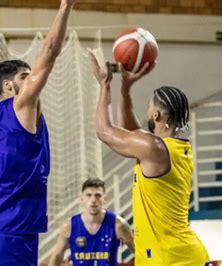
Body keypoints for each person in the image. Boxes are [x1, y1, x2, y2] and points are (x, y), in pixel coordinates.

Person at [0, 0, 77, 265]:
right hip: (13, 226)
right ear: (9, 85)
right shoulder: (22, 104)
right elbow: (49, 52)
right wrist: (65, 6)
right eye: (25, 76)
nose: (31, 80)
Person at [88, 52, 210, 265]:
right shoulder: (172, 147)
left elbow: (104, 131)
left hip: (167, 258)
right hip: (178, 254)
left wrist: (104, 85)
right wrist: (125, 89)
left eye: (149, 108)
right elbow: (132, 130)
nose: (147, 112)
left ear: (156, 116)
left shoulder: (154, 148)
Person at [49, 178, 134, 266]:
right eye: (89, 195)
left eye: (98, 195)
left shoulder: (118, 225)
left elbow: (139, 253)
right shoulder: (69, 226)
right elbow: (57, 256)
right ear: (81, 198)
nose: (93, 199)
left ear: (104, 198)